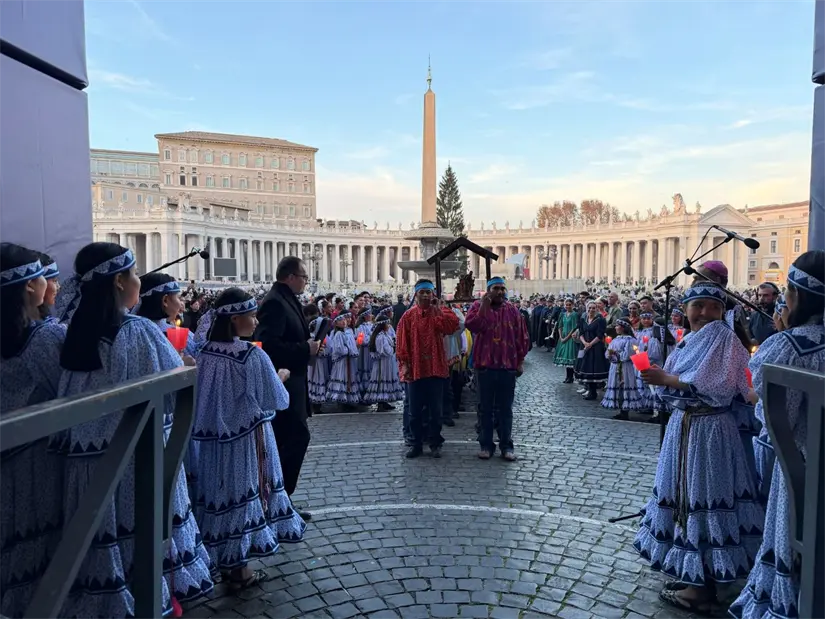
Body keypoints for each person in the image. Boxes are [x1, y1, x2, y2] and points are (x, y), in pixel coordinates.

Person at [54, 242, 213, 616]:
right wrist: (184, 367)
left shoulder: (71, 332)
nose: (139, 280)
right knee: (135, 539)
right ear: (119, 281)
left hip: (85, 459)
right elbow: (170, 397)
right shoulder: (136, 332)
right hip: (128, 460)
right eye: (134, 273)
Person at [634, 281, 763, 614]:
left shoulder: (725, 338)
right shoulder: (692, 338)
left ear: (722, 311)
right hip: (688, 427)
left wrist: (668, 380)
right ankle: (695, 577)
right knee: (687, 499)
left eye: (712, 306)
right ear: (686, 309)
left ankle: (703, 587)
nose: (704, 313)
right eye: (698, 305)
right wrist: (662, 378)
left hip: (708, 431)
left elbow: (718, 387)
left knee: (702, 499)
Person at [729, 250, 825, 619]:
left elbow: (771, 419)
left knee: (791, 547)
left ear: (795, 296)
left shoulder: (785, 347)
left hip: (801, 472)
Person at [190, 288, 306, 590]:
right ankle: (239, 567)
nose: (255, 321)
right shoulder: (250, 356)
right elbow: (277, 399)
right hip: (245, 440)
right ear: (234, 319)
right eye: (251, 316)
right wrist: (280, 375)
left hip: (212, 441)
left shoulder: (203, 353)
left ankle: (223, 559)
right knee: (243, 496)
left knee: (219, 496)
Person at [0, 244, 66, 618]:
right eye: (43, 277)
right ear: (29, 287)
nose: (49, 284)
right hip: (38, 459)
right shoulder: (44, 340)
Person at [255, 256, 320, 521]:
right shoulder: (274, 302)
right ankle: (276, 499)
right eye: (304, 276)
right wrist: (306, 348)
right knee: (293, 439)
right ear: (290, 276)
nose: (306, 281)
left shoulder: (286, 298)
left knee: (292, 440)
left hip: (294, 380)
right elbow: (268, 346)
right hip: (284, 383)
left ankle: (281, 499)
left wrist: (309, 347)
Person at [465, 277, 529, 461]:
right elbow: (472, 325)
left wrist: (520, 361)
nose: (500, 292)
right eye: (496, 288)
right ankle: (486, 445)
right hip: (485, 366)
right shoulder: (478, 306)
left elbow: (522, 337)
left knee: (505, 409)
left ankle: (506, 446)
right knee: (484, 408)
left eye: (502, 288)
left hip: (507, 366)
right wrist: (484, 307)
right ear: (488, 290)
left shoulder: (513, 310)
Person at [396, 280, 459, 459]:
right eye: (422, 292)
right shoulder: (408, 317)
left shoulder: (437, 314)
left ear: (433, 295)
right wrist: (405, 364)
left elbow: (452, 326)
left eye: (428, 292)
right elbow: (402, 343)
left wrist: (440, 308)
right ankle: (416, 443)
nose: (425, 295)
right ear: (416, 294)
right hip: (416, 369)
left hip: (436, 368)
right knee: (415, 411)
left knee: (436, 410)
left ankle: (435, 442)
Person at [554, 298, 579, 382]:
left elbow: (574, 327)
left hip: (570, 337)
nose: (568, 306)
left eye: (569, 305)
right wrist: (561, 337)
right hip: (563, 336)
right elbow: (560, 326)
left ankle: (571, 377)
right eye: (566, 305)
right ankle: (567, 376)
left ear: (573, 305)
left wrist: (566, 338)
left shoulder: (574, 314)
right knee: (565, 357)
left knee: (570, 357)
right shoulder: (563, 314)